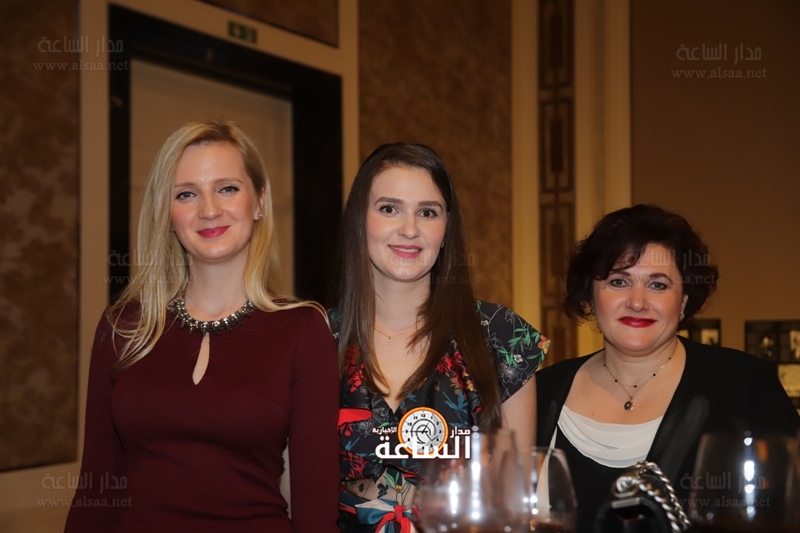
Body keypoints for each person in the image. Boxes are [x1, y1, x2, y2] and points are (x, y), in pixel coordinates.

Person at [64, 121, 340, 532]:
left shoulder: (302, 329)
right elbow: (95, 494)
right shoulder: (122, 329)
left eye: (227, 188)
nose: (209, 209)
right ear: (166, 212)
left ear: (259, 201)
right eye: (186, 194)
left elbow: (316, 510)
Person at [535, 204, 800, 533]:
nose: (637, 302)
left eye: (658, 285)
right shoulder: (540, 393)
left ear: (684, 300)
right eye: (619, 281)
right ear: (591, 293)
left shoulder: (744, 385)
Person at [330, 143, 549, 532]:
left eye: (428, 212)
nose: (409, 229)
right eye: (389, 208)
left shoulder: (500, 336)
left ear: (447, 229)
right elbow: (291, 499)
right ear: (360, 221)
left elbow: (512, 510)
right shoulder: (316, 337)